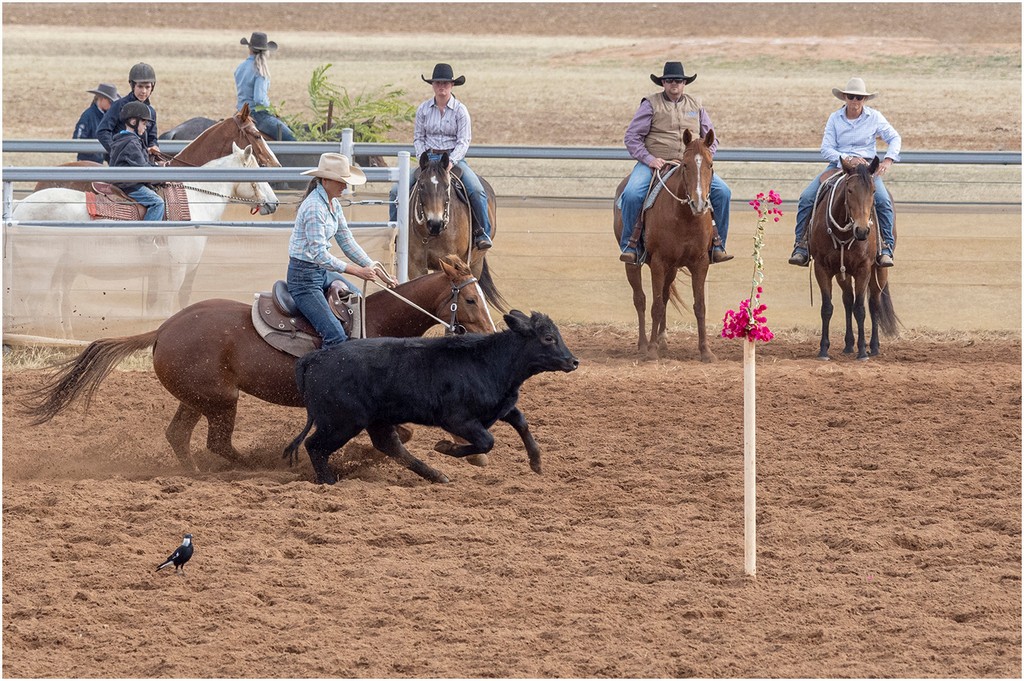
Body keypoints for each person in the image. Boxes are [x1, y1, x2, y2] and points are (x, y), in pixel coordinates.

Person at [618, 61, 733, 265]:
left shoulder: (696, 105)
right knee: (632, 193)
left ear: (684, 83)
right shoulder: (650, 104)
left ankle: (717, 244)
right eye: (670, 80)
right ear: (663, 82)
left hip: (691, 166)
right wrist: (650, 159)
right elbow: (632, 137)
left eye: (678, 81)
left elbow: (711, 139)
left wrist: (705, 159)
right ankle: (630, 244)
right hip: (657, 163)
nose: (674, 84)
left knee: (723, 192)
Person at [789, 77, 901, 268]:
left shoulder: (875, 117)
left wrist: (889, 159)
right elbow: (826, 148)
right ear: (845, 98)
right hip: (839, 167)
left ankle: (885, 247)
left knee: (882, 200)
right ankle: (801, 245)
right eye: (851, 97)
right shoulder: (835, 118)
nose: (855, 101)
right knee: (807, 197)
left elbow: (894, 137)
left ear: (864, 99)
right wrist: (846, 159)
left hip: (866, 171)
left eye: (859, 97)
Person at [390, 63, 492, 250]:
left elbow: (464, 140)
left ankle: (481, 232)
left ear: (452, 85)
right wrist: (424, 159)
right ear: (433, 85)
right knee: (396, 191)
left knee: (476, 190)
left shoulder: (461, 111)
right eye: (438, 83)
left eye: (445, 83)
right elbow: (419, 137)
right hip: (428, 159)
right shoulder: (423, 109)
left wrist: (451, 161)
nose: (441, 86)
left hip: (453, 159)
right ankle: (395, 233)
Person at [288, 153, 382, 349]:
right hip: (303, 279)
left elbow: (346, 240)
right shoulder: (315, 207)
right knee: (335, 337)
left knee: (358, 302)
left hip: (319, 273)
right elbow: (319, 254)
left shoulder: (333, 204)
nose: (345, 186)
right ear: (325, 180)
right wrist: (357, 271)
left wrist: (372, 266)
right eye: (340, 181)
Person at [234, 31, 297, 141]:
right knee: (293, 138)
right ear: (265, 52)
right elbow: (259, 100)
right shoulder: (260, 71)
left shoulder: (240, 67)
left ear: (250, 49)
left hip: (240, 113)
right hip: (258, 116)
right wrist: (271, 109)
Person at [109, 101, 164, 222]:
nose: (146, 127)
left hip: (124, 181)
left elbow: (138, 162)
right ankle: (146, 237)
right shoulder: (132, 143)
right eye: (144, 123)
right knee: (157, 203)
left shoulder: (123, 139)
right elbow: (143, 170)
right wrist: (163, 175)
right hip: (130, 185)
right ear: (134, 122)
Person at [97, 62, 160, 158]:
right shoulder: (119, 106)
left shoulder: (151, 112)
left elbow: (152, 138)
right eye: (140, 86)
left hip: (142, 160)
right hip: (122, 162)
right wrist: (116, 151)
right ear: (133, 86)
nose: (144, 91)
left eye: (147, 87)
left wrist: (154, 146)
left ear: (152, 88)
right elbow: (102, 131)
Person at [73, 82, 120, 163]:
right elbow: (77, 140)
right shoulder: (88, 116)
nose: (112, 105)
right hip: (85, 163)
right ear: (102, 99)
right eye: (110, 102)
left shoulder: (107, 117)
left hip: (98, 164)